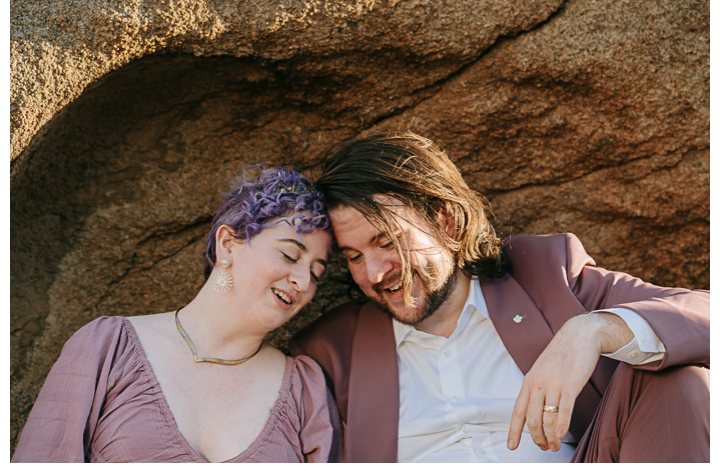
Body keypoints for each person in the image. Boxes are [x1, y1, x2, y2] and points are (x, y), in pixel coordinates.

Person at [289, 132, 709, 463]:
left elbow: (706, 314)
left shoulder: (548, 274)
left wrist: (591, 329)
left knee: (678, 375)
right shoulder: (329, 351)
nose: (374, 272)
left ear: (446, 222)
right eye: (354, 256)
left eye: (387, 242)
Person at [13, 168, 342, 463]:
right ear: (227, 244)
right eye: (289, 254)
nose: (302, 281)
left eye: (316, 272)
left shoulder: (304, 390)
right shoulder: (108, 346)